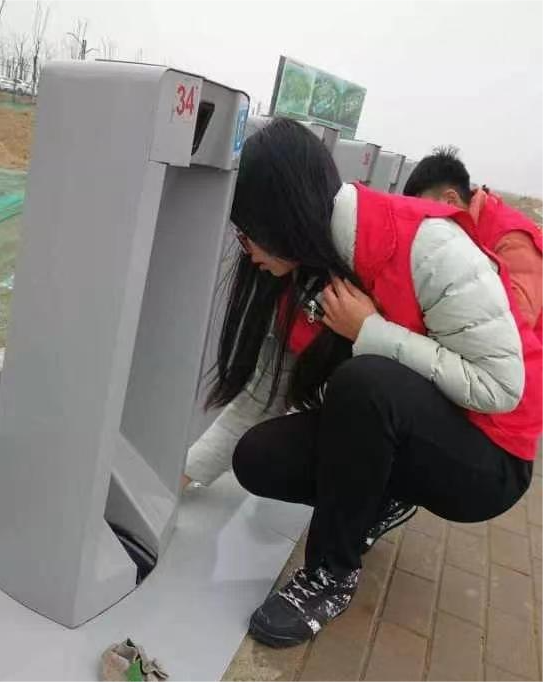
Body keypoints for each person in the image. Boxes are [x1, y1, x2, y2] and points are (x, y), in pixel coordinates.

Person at [200, 118, 543, 649]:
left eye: (246, 234)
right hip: (413, 425)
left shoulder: (430, 247)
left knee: (364, 383)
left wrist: (370, 332)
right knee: (258, 459)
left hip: (489, 457)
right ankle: (383, 493)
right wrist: (179, 477)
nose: (247, 251)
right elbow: (260, 398)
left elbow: (501, 389)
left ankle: (329, 575)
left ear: (281, 216)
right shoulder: (306, 271)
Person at [403, 147, 543, 330]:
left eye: (425, 212)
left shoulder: (512, 238)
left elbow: (516, 320)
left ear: (450, 199)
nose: (423, 221)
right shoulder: (456, 230)